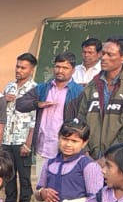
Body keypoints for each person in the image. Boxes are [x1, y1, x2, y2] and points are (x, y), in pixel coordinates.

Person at [13, 53, 82, 187]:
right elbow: (20, 104)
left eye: (65, 68)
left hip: (65, 147)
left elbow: (82, 120)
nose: (60, 70)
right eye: (57, 67)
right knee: (43, 187)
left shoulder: (79, 92)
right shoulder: (43, 88)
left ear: (73, 70)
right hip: (43, 145)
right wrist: (37, 104)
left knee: (62, 187)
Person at [81, 37, 123, 157]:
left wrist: (110, 156)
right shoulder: (92, 84)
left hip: (121, 156)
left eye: (110, 55)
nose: (104, 58)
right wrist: (85, 150)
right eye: (103, 53)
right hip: (90, 156)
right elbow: (81, 119)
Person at [0, 53, 38, 202]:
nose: (18, 70)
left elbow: (35, 119)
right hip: (6, 139)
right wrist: (4, 99)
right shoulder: (9, 86)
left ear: (32, 70)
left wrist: (28, 143)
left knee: (25, 178)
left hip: (22, 140)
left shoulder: (35, 89)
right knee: (9, 176)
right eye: (17, 66)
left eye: (23, 68)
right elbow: (1, 114)